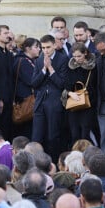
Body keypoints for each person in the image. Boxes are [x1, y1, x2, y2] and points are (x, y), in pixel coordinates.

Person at [31, 34, 68, 163]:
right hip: (40, 101)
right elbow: (34, 82)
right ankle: (36, 163)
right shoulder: (39, 60)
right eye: (43, 47)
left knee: (53, 135)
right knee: (37, 136)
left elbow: (62, 83)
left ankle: (53, 164)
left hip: (55, 101)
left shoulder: (63, 59)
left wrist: (51, 69)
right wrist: (43, 69)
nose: (45, 50)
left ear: (54, 45)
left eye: (48, 47)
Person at [62, 42, 97, 145]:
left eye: (79, 56)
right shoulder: (71, 66)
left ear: (85, 53)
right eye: (74, 56)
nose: (77, 59)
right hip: (74, 104)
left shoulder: (93, 67)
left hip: (88, 104)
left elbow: (94, 85)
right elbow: (67, 84)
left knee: (85, 133)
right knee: (74, 134)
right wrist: (70, 93)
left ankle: (86, 156)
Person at [13, 38, 40, 138]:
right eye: (36, 47)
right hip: (25, 99)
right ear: (28, 49)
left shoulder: (30, 60)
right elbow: (31, 80)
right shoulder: (22, 61)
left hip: (28, 98)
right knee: (26, 129)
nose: (39, 49)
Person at [0, 25, 14, 140]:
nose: (8, 36)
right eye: (5, 33)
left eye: (8, 33)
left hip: (9, 96)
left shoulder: (8, 53)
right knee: (2, 127)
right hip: (1, 98)